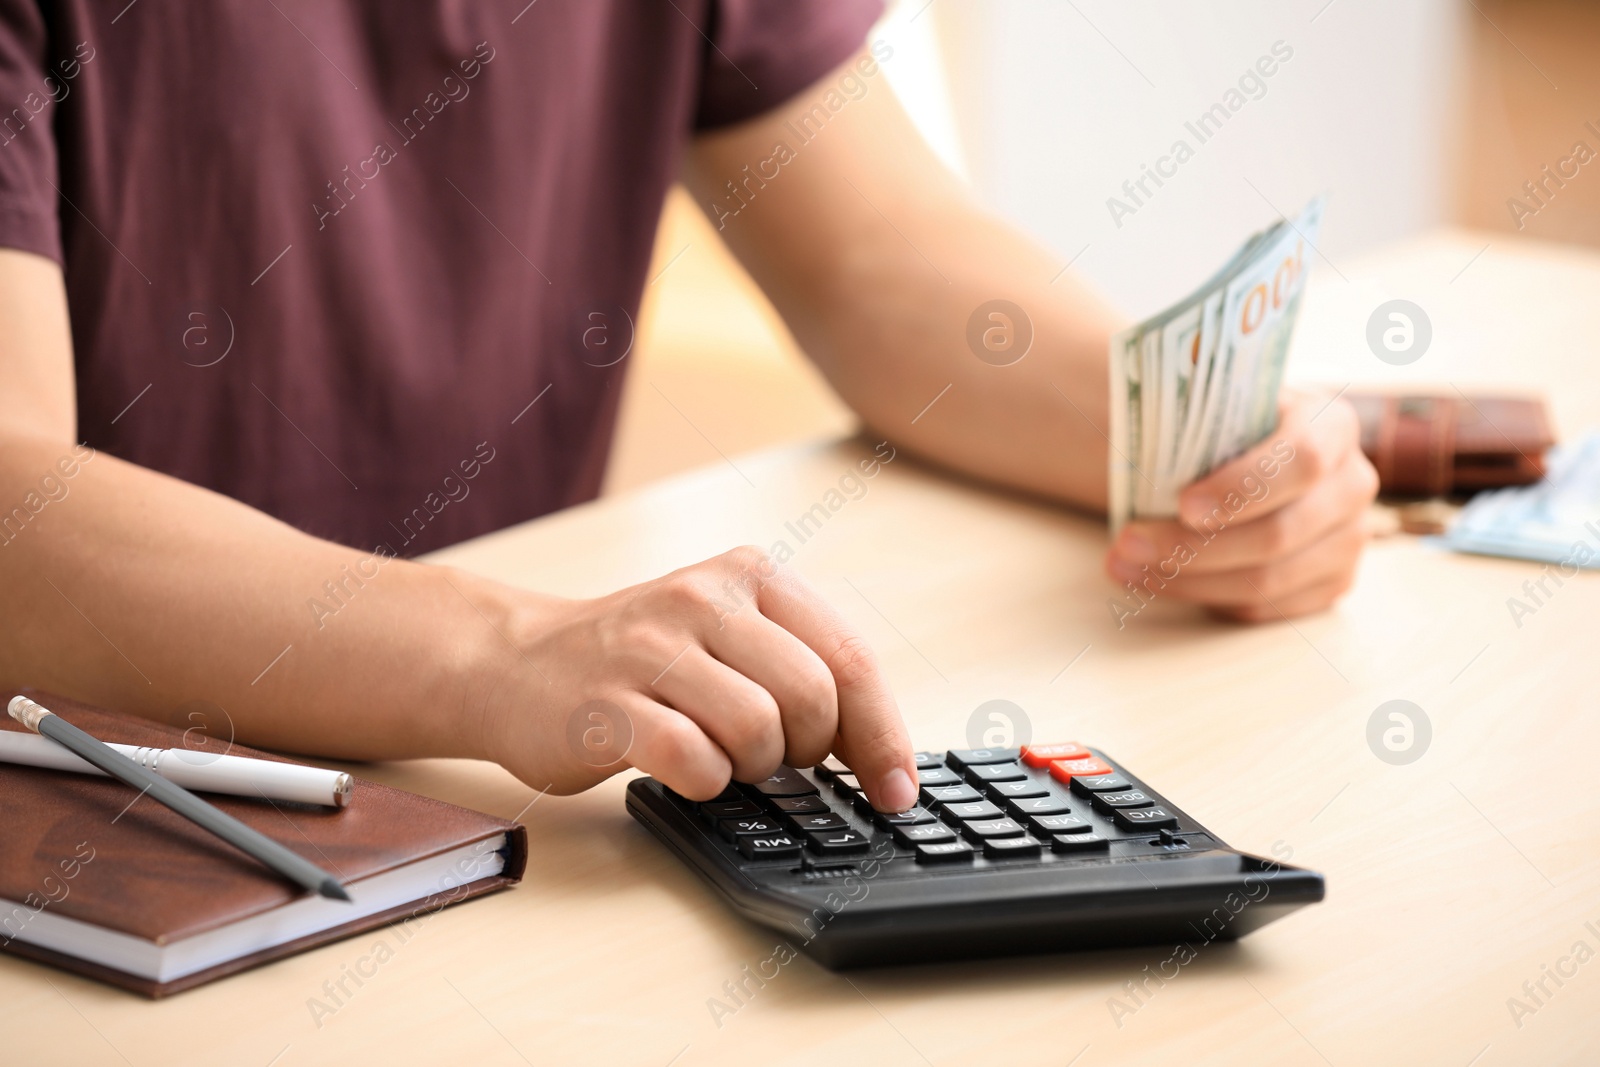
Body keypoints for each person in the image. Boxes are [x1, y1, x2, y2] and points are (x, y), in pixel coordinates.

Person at [0, 2, 1376, 816]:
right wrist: (504, 656)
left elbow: (878, 256)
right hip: (115, 814)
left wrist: (1194, 440)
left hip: (498, 809)